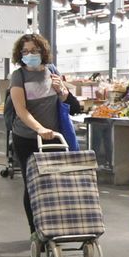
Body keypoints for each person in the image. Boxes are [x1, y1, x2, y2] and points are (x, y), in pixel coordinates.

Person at [6, 32, 79, 239]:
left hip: (55, 137)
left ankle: (53, 226)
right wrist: (39, 129)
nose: (30, 54)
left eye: (34, 50)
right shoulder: (18, 76)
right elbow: (21, 110)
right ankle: (35, 231)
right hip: (27, 137)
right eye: (26, 51)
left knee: (55, 183)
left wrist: (62, 91)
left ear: (43, 51)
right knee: (33, 183)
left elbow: (67, 102)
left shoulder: (52, 71)